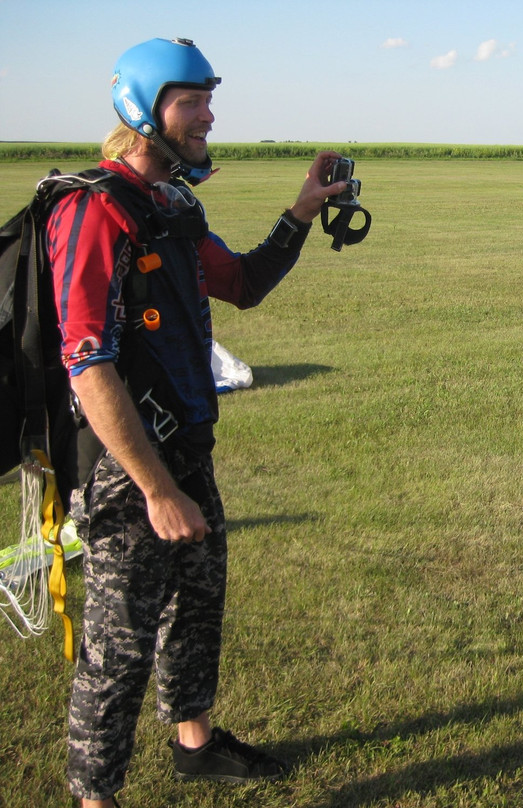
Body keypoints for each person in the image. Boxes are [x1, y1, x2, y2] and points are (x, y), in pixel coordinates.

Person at [49, 38, 349, 807]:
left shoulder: (173, 206)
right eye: (191, 101)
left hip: (187, 451)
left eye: (209, 98)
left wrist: (302, 211)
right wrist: (153, 487)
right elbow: (89, 363)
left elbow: (241, 283)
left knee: (196, 605)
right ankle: (95, 797)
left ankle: (195, 743)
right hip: (127, 472)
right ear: (143, 108)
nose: (208, 115)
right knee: (117, 648)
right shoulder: (94, 209)